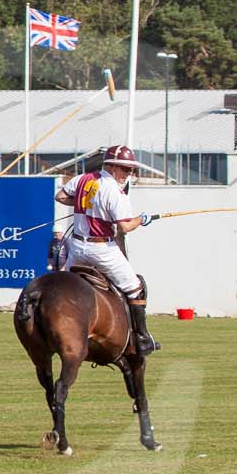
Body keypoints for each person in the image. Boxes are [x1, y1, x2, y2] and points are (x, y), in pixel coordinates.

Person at [57, 143, 161, 354]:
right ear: (112, 167)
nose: (128, 174)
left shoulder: (83, 179)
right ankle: (141, 338)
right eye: (125, 169)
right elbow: (125, 227)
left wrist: (84, 205)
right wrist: (142, 219)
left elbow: (60, 196)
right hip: (102, 250)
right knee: (135, 286)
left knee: (62, 283)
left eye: (131, 170)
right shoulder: (116, 192)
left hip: (76, 248)